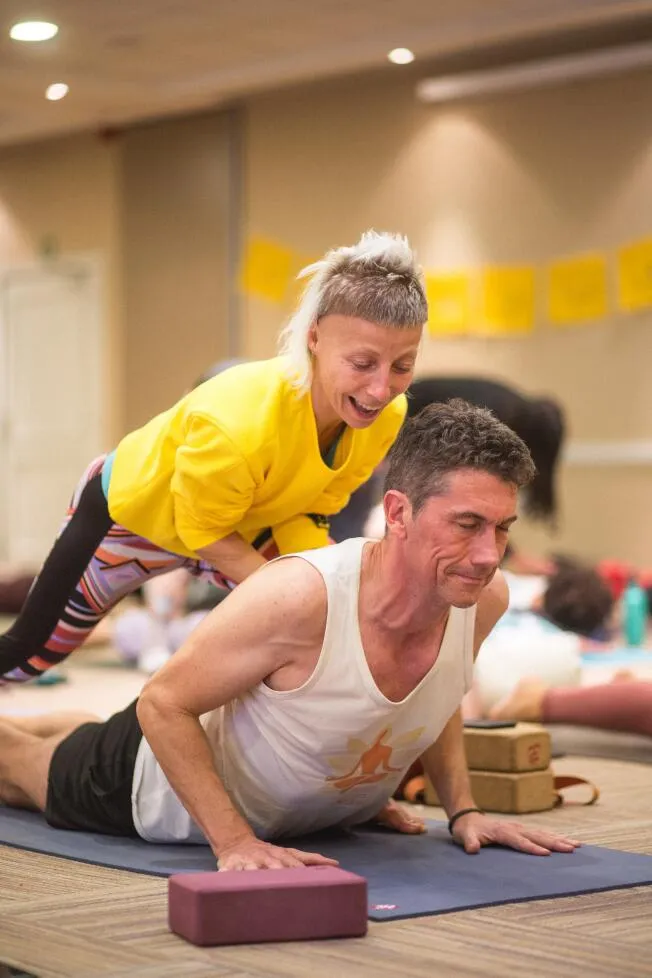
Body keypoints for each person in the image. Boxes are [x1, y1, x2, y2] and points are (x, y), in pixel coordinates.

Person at [0, 401, 580, 868]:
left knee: (79, 729)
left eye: (501, 529)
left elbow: (441, 690)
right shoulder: (302, 594)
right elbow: (162, 703)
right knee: (14, 766)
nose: (488, 555)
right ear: (398, 514)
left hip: (296, 803)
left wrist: (463, 811)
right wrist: (234, 842)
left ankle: (61, 726)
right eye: (467, 525)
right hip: (144, 782)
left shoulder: (484, 597)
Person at [0, 230, 426, 685]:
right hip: (132, 516)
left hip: (243, 523)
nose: (381, 389)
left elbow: (313, 509)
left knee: (321, 617)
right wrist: (286, 592)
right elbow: (201, 531)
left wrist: (328, 595)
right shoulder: (238, 422)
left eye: (402, 366)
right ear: (314, 337)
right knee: (30, 654)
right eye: (362, 364)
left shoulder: (387, 415)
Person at [331, 374, 565, 549]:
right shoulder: (498, 418)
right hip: (381, 427)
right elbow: (472, 502)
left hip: (391, 426)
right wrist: (379, 452)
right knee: (349, 525)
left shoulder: (507, 403)